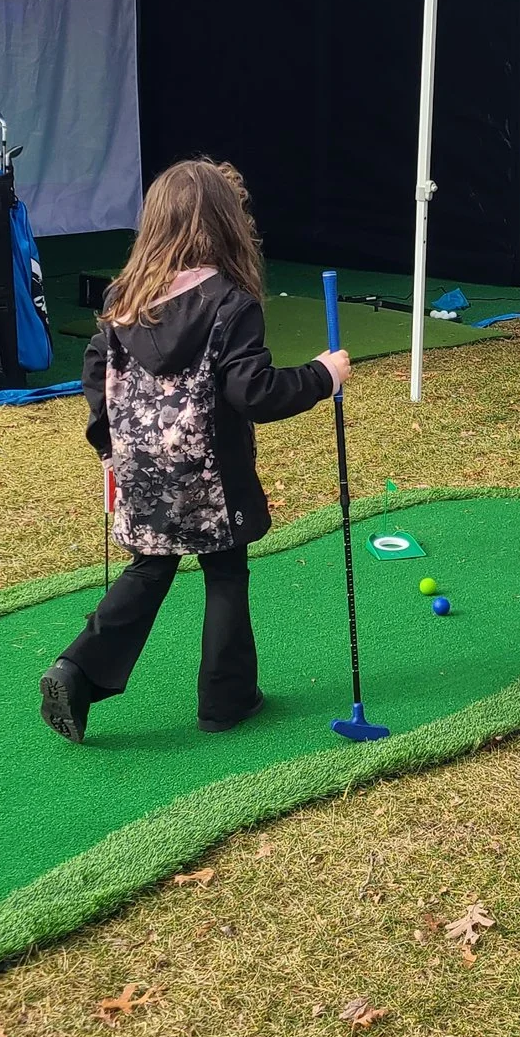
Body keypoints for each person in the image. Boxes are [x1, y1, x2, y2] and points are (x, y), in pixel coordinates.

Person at [41, 160, 350, 743]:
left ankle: (76, 670)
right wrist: (321, 374)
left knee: (150, 565)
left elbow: (96, 375)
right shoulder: (231, 303)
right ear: (227, 224)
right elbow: (253, 391)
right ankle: (226, 700)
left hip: (142, 466)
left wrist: (109, 447)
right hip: (212, 473)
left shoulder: (124, 299)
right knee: (226, 571)